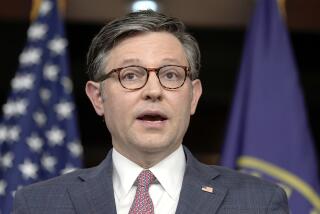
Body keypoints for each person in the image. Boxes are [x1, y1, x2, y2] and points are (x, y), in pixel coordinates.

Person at [13, 10, 289, 214]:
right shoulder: (38, 204)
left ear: (193, 97)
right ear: (98, 97)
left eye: (170, 75)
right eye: (131, 76)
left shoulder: (258, 203)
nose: (153, 91)